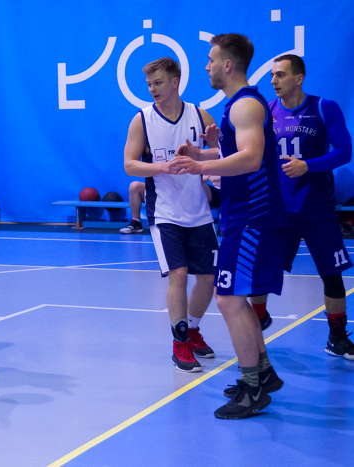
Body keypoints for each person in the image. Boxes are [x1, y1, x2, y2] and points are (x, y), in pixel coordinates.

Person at [171, 34, 288, 419]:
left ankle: (252, 389)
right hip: (244, 215)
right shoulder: (237, 105)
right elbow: (237, 152)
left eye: (210, 60)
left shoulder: (245, 105)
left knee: (229, 299)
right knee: (235, 298)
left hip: (254, 217)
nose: (206, 66)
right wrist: (203, 152)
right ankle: (263, 374)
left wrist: (201, 165)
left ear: (227, 64)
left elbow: (251, 158)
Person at [248, 55, 354, 358]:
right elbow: (250, 152)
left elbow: (344, 152)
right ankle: (256, 325)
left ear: (299, 78)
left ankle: (337, 338)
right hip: (278, 211)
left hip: (318, 209)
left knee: (332, 275)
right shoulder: (266, 111)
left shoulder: (324, 107)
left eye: (280, 75)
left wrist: (308, 165)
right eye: (272, 75)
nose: (273, 81)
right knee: (262, 273)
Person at [123, 57, 219, 373]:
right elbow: (129, 165)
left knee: (208, 278)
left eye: (158, 83)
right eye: (149, 84)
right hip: (164, 213)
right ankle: (179, 345)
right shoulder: (142, 120)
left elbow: (222, 153)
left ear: (175, 82)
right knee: (178, 275)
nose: (152, 89)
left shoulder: (199, 115)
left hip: (199, 212)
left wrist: (212, 147)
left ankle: (192, 329)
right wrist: (162, 167)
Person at [119, 177, 220, 234]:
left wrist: (211, 177)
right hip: (166, 192)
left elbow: (198, 176)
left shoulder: (220, 155)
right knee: (135, 186)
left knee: (195, 185)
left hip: (219, 191)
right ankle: (136, 223)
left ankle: (188, 224)